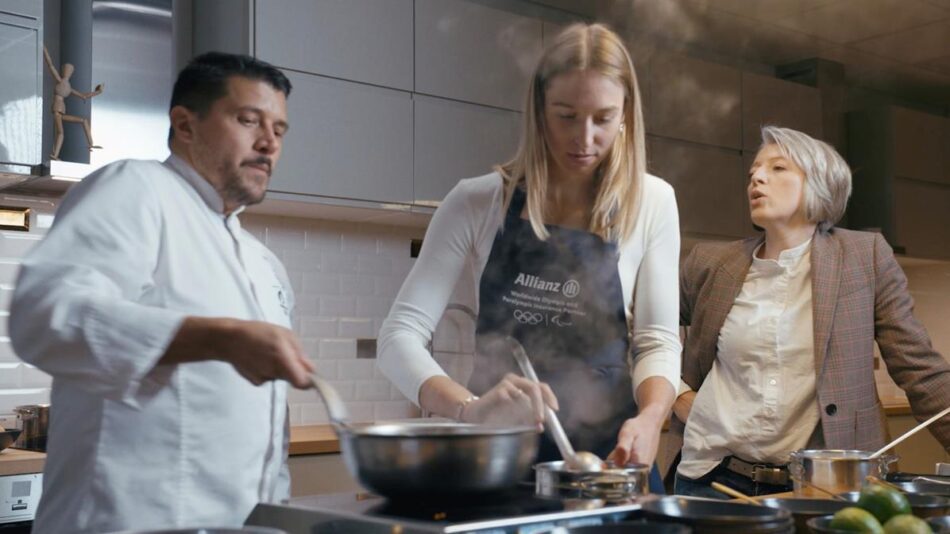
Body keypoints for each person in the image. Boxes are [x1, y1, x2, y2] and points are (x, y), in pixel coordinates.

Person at [9, 52, 315, 532]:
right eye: (248, 120)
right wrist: (218, 338)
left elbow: (266, 434)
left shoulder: (263, 265)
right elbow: (46, 315)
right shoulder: (135, 188)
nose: (268, 143)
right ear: (185, 125)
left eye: (279, 130)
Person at [377, 23, 681, 490]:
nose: (584, 138)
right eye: (566, 116)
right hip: (497, 464)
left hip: (613, 466)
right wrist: (468, 409)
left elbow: (657, 341)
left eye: (603, 118)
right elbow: (398, 337)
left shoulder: (652, 202)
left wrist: (652, 417)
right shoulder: (477, 202)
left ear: (626, 115)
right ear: (539, 111)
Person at [672, 126, 950, 498]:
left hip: (828, 485)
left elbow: (919, 368)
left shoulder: (864, 257)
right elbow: (644, 331)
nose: (756, 177)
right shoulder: (710, 263)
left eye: (778, 168)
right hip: (713, 479)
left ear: (820, 183)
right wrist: (676, 394)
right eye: (754, 171)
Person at [43, 45, 104, 160]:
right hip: (58, 108)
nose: (68, 72)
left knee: (82, 121)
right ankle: (55, 155)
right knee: (60, 133)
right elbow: (50, 64)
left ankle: (90, 143)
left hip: (60, 110)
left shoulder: (67, 86)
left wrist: (98, 92)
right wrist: (44, 48)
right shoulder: (62, 82)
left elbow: (84, 96)